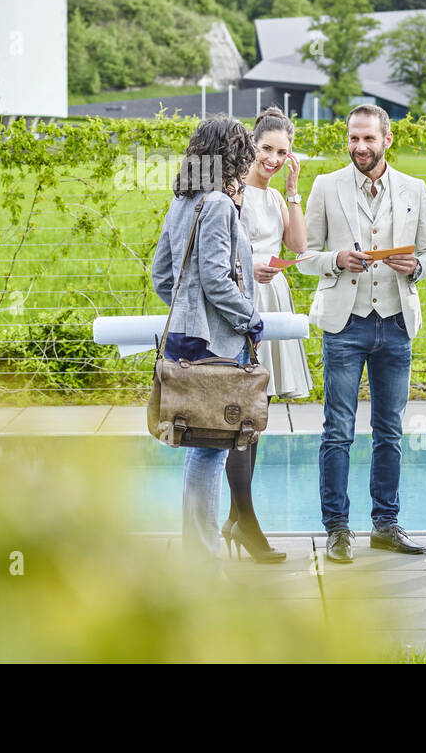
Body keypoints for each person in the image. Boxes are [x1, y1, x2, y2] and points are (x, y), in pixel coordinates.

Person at [296, 104, 426, 564]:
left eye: (368, 139)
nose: (360, 147)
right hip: (345, 323)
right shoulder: (325, 186)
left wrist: (416, 266)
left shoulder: (414, 189)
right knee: (337, 430)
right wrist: (336, 260)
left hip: (396, 324)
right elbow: (304, 255)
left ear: (387, 140)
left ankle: (385, 524)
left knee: (390, 431)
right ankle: (337, 528)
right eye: (353, 139)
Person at [151, 117, 265, 566]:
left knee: (197, 444)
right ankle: (202, 560)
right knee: (209, 452)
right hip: (215, 343)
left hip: (183, 336)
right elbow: (218, 278)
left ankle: (197, 553)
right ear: (228, 155)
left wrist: (185, 310)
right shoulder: (217, 203)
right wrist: (251, 319)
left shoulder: (183, 201)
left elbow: (163, 275)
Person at [224, 106, 312, 563]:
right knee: (241, 414)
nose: (275, 159)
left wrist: (293, 193)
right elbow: (218, 252)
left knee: (259, 414)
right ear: (251, 146)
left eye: (283, 152)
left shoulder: (278, 198)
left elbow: (298, 247)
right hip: (242, 298)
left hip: (273, 297)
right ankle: (244, 519)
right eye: (267, 149)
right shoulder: (231, 195)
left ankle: (239, 518)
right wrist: (246, 267)